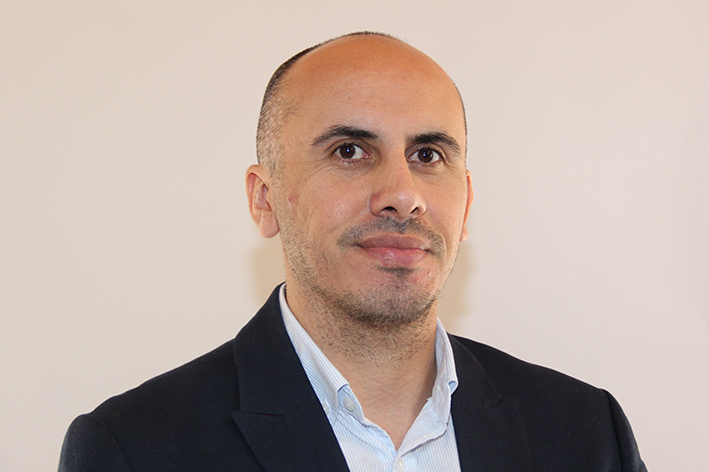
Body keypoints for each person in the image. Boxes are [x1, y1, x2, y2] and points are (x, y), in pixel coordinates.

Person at [59, 32, 647, 472]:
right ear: (265, 199)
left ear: (466, 203)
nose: (402, 195)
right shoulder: (134, 449)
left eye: (428, 156)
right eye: (349, 151)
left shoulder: (587, 434)